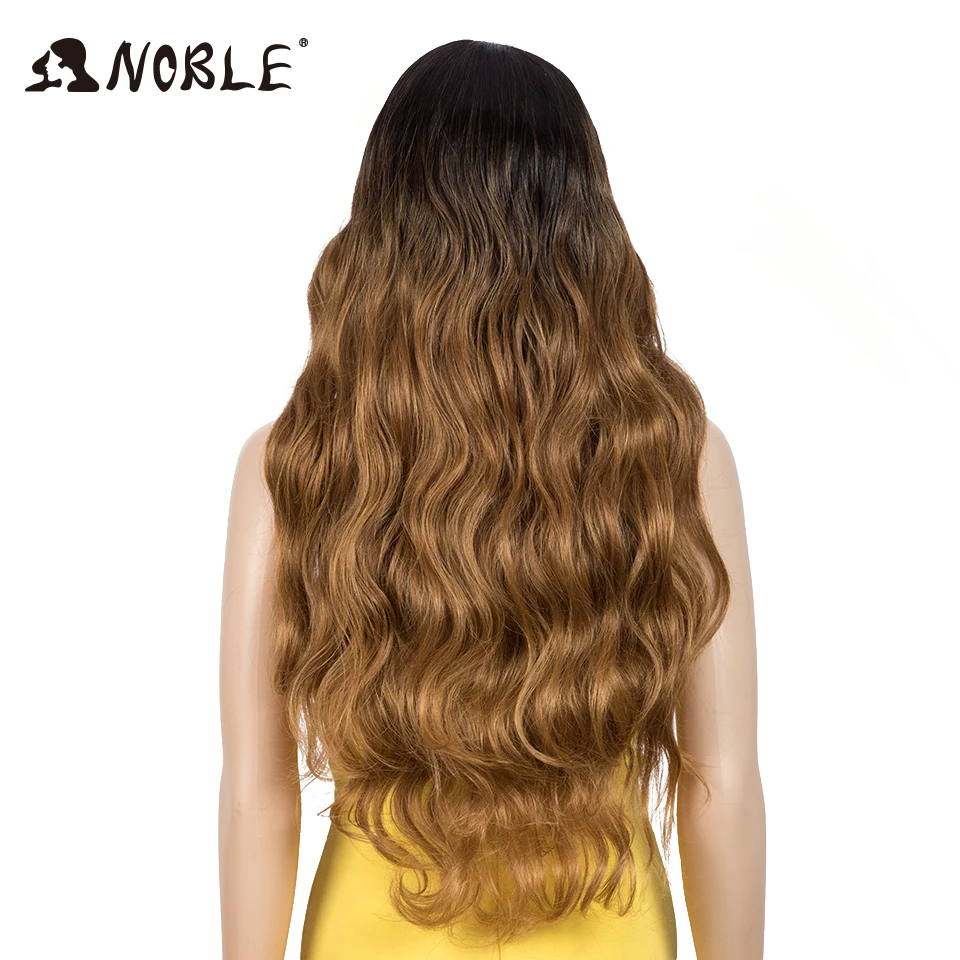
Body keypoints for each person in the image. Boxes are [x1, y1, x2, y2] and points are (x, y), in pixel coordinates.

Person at [219, 39, 764, 960]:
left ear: (385, 227)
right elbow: (724, 782)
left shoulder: (297, 463)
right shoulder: (675, 455)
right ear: (585, 228)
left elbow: (254, 796)